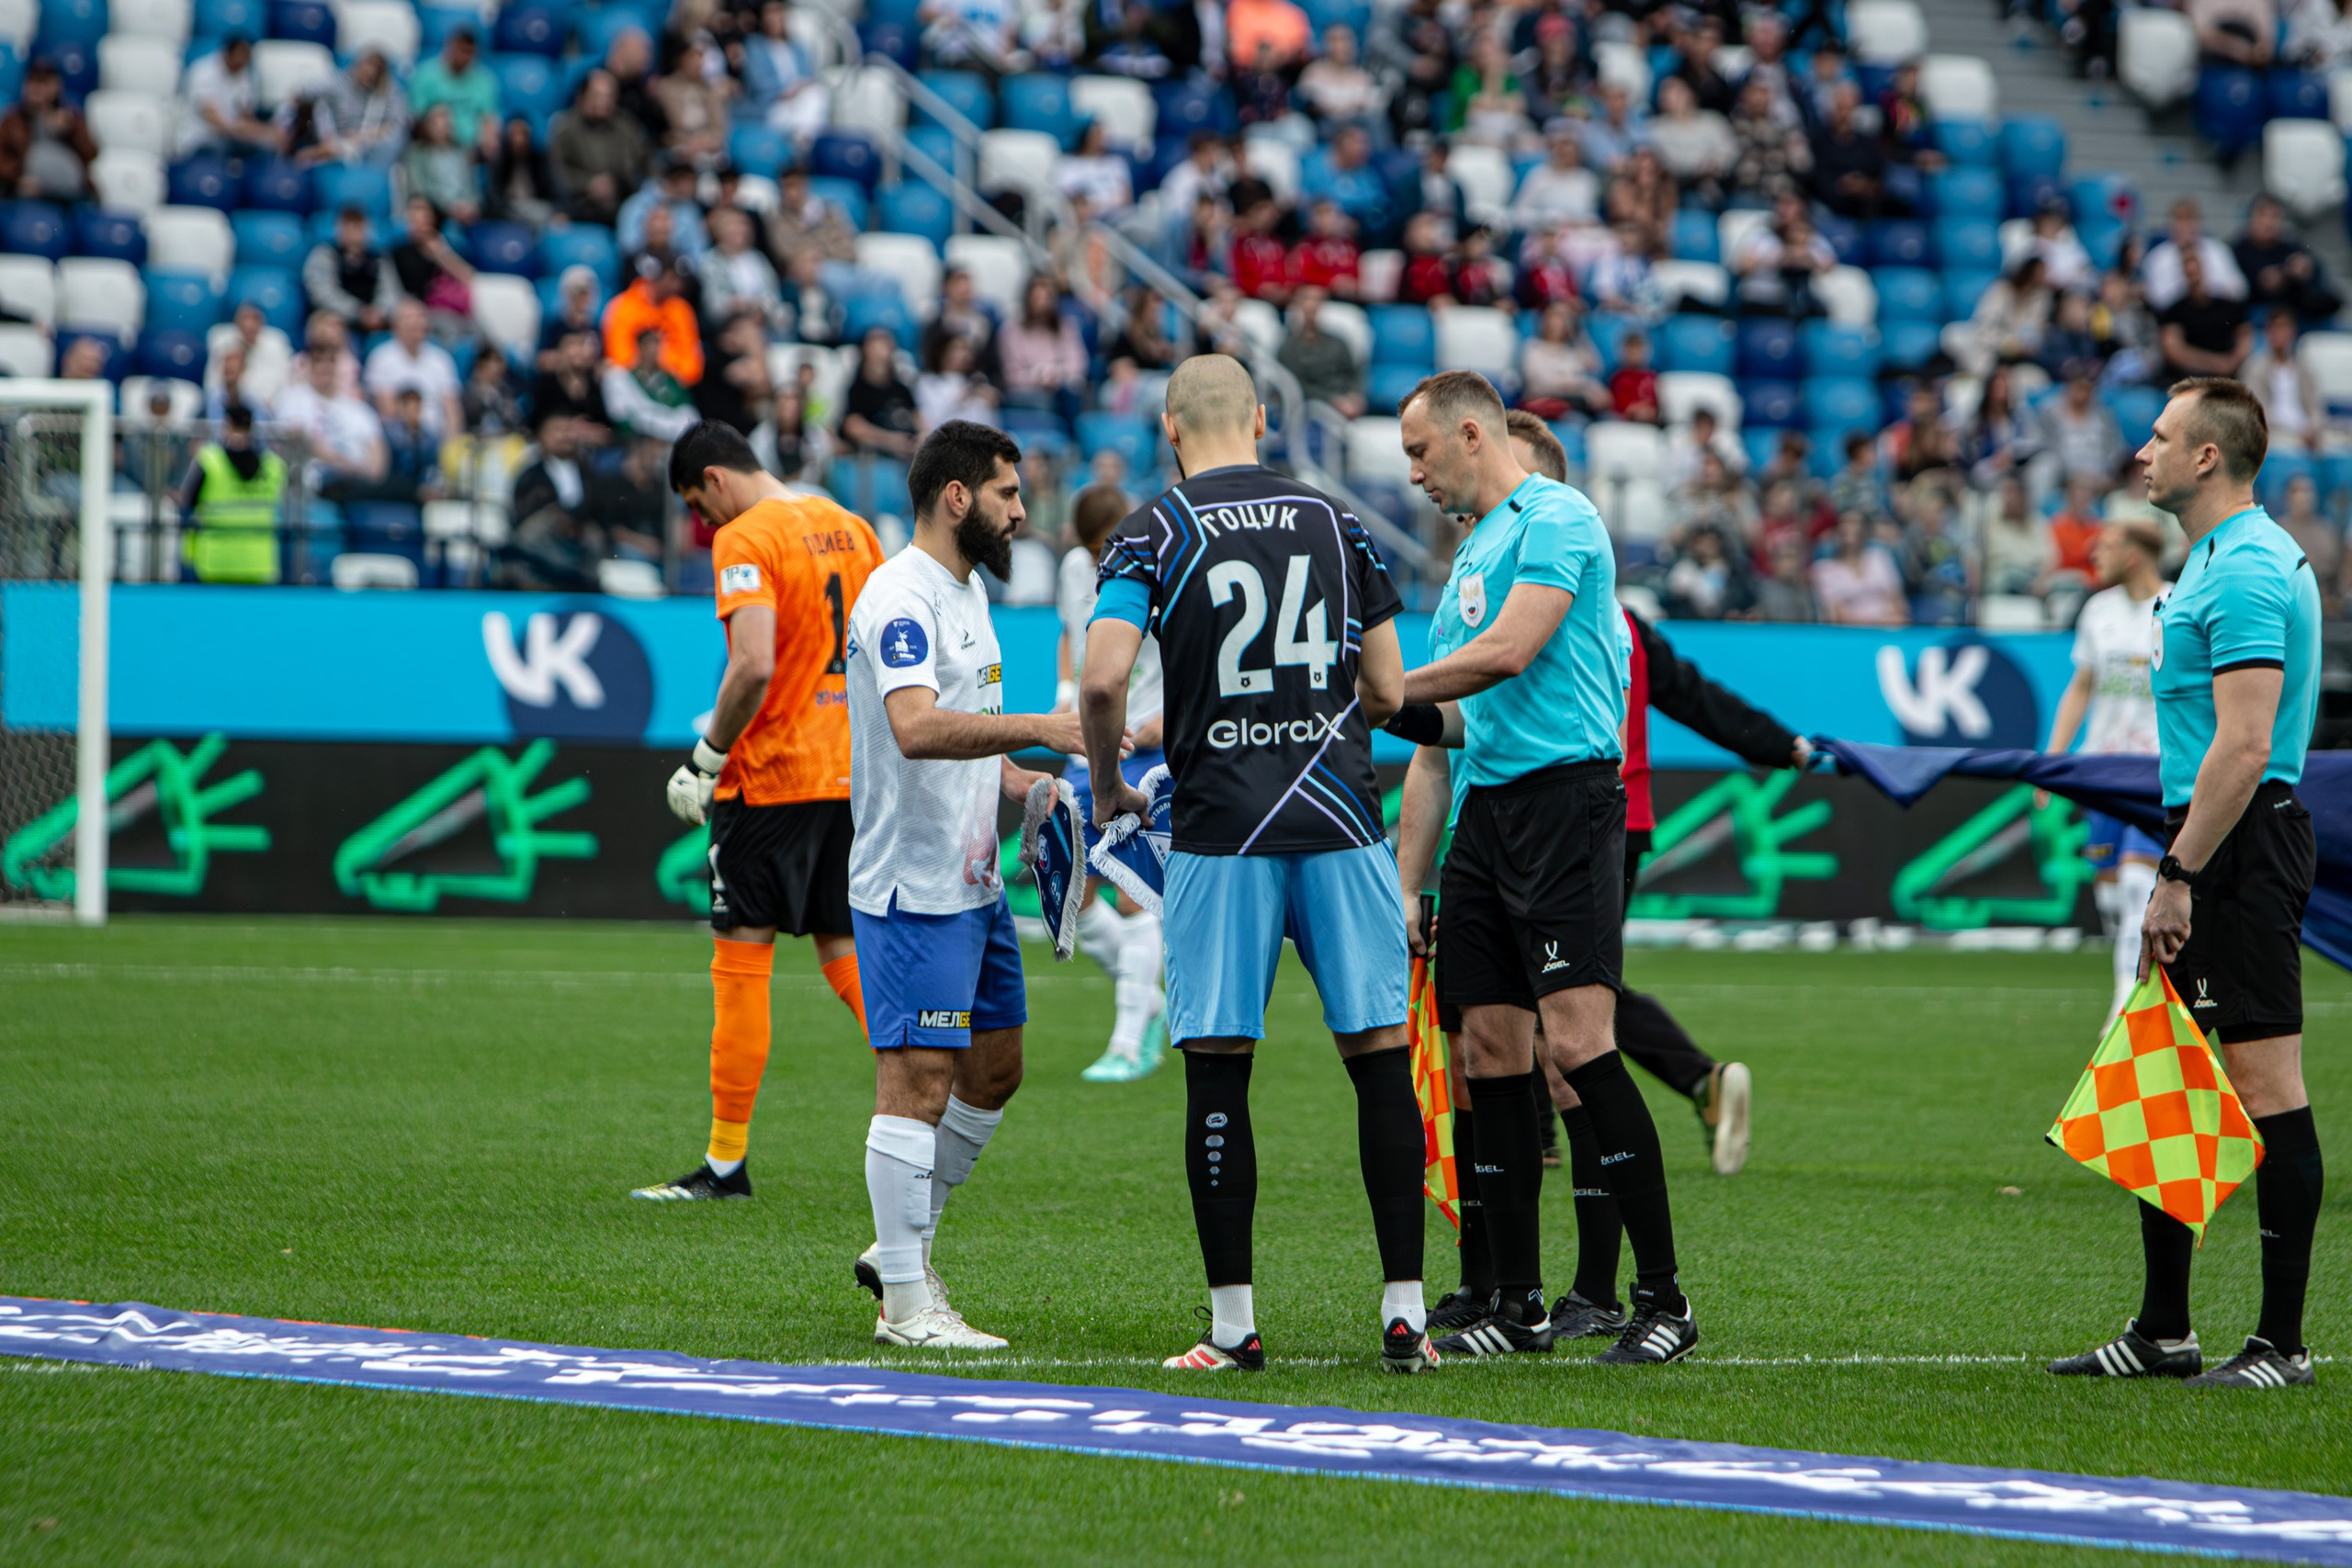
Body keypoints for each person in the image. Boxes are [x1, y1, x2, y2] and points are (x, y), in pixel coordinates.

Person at [1079, 354, 1427, 1373]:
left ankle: (1234, 1329)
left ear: (1171, 432)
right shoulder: (1339, 521)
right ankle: (1404, 1316)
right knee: (1377, 1063)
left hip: (1221, 830)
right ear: (1264, 421)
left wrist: (1109, 792)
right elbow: (1389, 686)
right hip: (1340, 819)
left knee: (1219, 1074)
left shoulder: (1154, 527)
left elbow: (1101, 683)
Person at [1388, 369, 1695, 1366]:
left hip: (1565, 802)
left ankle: (1662, 1301)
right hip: (1486, 820)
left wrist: (1372, 684)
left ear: (1469, 434)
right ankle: (1515, 1303)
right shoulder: (1471, 553)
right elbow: (1447, 735)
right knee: (1488, 1055)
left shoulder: (1558, 518)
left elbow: (1511, 654)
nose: (1413, 474)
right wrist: (1409, 882)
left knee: (1577, 1044)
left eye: (1419, 452)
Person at [2052, 378, 2325, 1391]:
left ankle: (2282, 1344)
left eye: (2161, 438)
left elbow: (2246, 745)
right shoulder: (2211, 559)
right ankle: (2163, 1329)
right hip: (2206, 838)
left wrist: (2176, 875)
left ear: (2207, 457)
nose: (2142, 453)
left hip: (2238, 844)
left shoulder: (2248, 565)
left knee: (2264, 1088)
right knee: (2160, 1077)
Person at [845, 420, 1088, 1348]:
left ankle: (898, 1246)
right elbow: (914, 727)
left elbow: (971, 745)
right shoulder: (899, 597)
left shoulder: (968, 592)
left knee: (996, 1070)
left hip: (974, 882)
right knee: (916, 1083)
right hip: (912, 887)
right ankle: (906, 1303)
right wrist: (1049, 725)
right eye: (1007, 494)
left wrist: (1036, 788)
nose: (1022, 513)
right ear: (957, 497)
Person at [632, 420, 888, 1201]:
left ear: (714, 478)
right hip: (849, 777)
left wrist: (706, 757)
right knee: (846, 952)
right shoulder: (854, 528)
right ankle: (930, 1098)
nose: (704, 524)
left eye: (697, 506)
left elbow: (752, 662)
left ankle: (724, 1164)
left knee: (742, 963)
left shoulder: (746, 537)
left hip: (771, 778)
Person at [1053, 482, 1168, 1084]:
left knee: (1132, 891)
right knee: (1071, 885)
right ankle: (1145, 993)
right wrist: (1065, 690)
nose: (1101, 562)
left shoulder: (1161, 565)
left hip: (1149, 745)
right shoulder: (1075, 566)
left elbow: (1185, 653)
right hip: (1093, 735)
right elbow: (1073, 629)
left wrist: (1165, 720)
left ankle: (1127, 1039)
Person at [2042, 519, 2167, 1021]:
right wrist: (2053, 760)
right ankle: (2143, 980)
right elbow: (2082, 686)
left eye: (2107, 547)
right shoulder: (2098, 611)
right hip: (2102, 767)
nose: (2095, 555)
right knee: (2113, 894)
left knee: (2140, 884)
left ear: (2134, 555)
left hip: (2155, 769)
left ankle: (2125, 1001)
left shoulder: (2178, 604)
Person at [174, 403, 287, 584]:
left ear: (226, 425)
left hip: (216, 561)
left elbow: (188, 503)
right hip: (258, 562)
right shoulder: (273, 465)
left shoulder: (210, 460)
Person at [552, 71, 652, 226]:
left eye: (610, 96)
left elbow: (646, 162)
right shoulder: (565, 127)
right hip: (579, 204)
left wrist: (618, 184)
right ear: (582, 96)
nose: (604, 102)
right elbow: (556, 170)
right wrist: (588, 183)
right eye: (598, 95)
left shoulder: (627, 126)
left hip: (624, 202)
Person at [363, 299, 464, 441]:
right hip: (400, 435)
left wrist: (453, 440)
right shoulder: (381, 358)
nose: (416, 322)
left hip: (438, 432)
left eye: (421, 317)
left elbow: (452, 408)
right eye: (409, 318)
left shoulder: (441, 359)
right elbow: (388, 410)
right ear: (395, 325)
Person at [0, 58, 98, 201]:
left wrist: (70, 131)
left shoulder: (71, 116)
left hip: (68, 195)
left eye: (44, 82)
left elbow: (91, 153)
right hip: (24, 193)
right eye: (33, 81)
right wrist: (18, 177)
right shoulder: (13, 119)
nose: (38, 88)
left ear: (57, 86)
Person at [304, 207, 402, 334]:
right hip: (339, 319)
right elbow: (322, 294)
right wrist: (358, 312)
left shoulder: (379, 257)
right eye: (348, 227)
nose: (353, 234)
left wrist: (379, 312)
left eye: (358, 228)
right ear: (338, 229)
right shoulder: (323, 255)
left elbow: (391, 290)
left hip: (377, 320)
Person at [177, 36, 278, 158]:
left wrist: (270, 134)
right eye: (241, 55)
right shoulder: (203, 72)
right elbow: (212, 118)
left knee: (265, 150)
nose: (244, 60)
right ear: (228, 53)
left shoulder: (245, 75)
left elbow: (246, 116)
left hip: (231, 138)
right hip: (201, 137)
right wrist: (247, 131)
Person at [2158, 252, 2252, 381]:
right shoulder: (2175, 311)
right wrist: (2216, 364)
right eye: (2189, 273)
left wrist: (2231, 363)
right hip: (2191, 378)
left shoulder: (2228, 306)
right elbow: (2173, 351)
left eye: (2196, 271)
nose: (2194, 278)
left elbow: (2244, 337)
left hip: (2231, 375)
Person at [408, 25, 503, 153]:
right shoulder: (425, 75)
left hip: (473, 148)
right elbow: (416, 117)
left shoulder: (485, 80)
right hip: (433, 144)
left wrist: (487, 141)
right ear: (450, 47)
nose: (464, 57)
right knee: (440, 116)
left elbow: (489, 117)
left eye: (469, 52)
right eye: (461, 50)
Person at [1275, 285, 1363, 417]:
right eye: (1306, 299)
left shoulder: (1338, 342)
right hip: (1308, 410)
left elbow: (1354, 374)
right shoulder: (1288, 347)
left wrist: (1355, 396)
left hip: (1344, 406)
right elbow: (1294, 385)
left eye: (1317, 300)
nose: (1312, 305)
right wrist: (1332, 401)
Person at [839, 326, 920, 459]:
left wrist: (923, 437)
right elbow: (851, 425)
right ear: (866, 348)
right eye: (878, 341)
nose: (886, 346)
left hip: (908, 455)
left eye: (888, 341)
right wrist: (891, 440)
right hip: (873, 460)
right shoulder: (857, 389)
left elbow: (919, 419)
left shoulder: (902, 389)